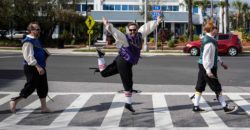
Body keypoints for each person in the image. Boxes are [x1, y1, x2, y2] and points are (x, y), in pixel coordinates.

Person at [93, 16, 162, 113]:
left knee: (104, 73)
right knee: (128, 82)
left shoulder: (140, 35)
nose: (133, 32)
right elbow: (117, 34)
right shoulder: (125, 38)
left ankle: (100, 57)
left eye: (134, 30)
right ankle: (128, 104)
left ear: (137, 30)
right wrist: (107, 25)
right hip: (124, 62)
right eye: (131, 30)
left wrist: (157, 22)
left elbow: (147, 27)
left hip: (121, 60)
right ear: (128, 30)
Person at [191, 21, 238, 113]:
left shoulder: (209, 39)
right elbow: (206, 58)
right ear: (212, 30)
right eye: (215, 28)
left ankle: (196, 106)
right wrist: (208, 71)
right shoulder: (209, 42)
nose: (217, 30)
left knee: (200, 86)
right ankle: (225, 107)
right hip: (207, 66)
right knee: (217, 87)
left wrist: (221, 62)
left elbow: (213, 55)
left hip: (203, 65)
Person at [9, 22, 51, 113]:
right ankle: (14, 101)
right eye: (37, 29)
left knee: (43, 87)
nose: (39, 31)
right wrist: (38, 67)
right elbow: (29, 57)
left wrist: (44, 60)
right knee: (30, 87)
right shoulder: (28, 41)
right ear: (31, 30)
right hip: (32, 68)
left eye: (39, 29)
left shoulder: (37, 40)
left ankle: (43, 107)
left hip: (41, 67)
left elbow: (41, 52)